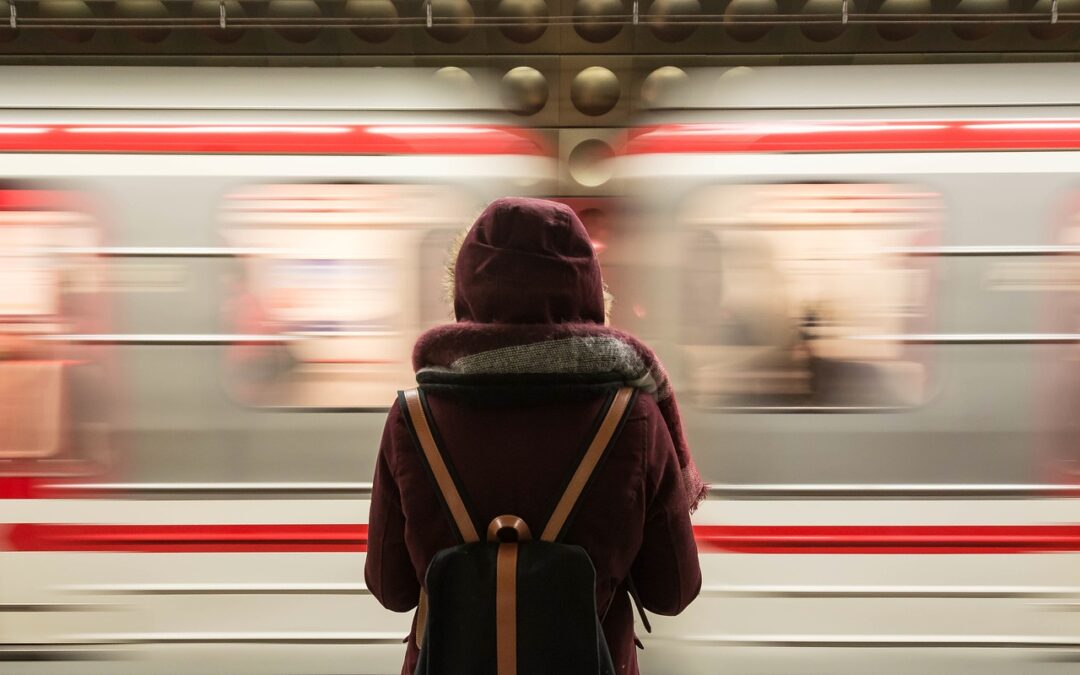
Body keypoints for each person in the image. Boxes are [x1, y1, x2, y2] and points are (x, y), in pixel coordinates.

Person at [365, 197, 705, 675]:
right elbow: (673, 591)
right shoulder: (636, 418)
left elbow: (390, 588)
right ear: (588, 290)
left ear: (466, 289)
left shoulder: (413, 417)